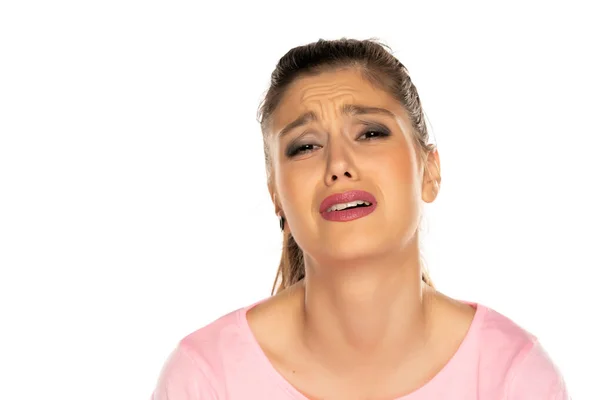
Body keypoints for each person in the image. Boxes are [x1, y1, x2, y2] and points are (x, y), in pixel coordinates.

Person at [150, 38, 568, 399]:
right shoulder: (204, 381)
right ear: (276, 193)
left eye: (370, 132)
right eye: (304, 146)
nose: (339, 164)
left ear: (430, 171)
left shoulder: (513, 378)